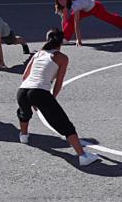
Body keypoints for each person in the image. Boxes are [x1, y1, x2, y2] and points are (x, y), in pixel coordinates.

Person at [16, 29, 101, 168]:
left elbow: (25, 76)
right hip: (39, 91)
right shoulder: (62, 57)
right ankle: (83, 156)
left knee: (24, 113)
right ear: (61, 41)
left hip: (22, 90)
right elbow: (59, 82)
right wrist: (51, 98)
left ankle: (24, 136)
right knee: (64, 124)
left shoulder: (38, 53)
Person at [54, 0, 122, 45]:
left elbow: (76, 23)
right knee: (70, 20)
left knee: (109, 18)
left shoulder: (75, 4)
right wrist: (62, 35)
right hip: (84, 9)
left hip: (95, 7)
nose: (61, 1)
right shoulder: (64, 4)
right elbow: (64, 20)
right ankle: (65, 39)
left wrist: (78, 40)